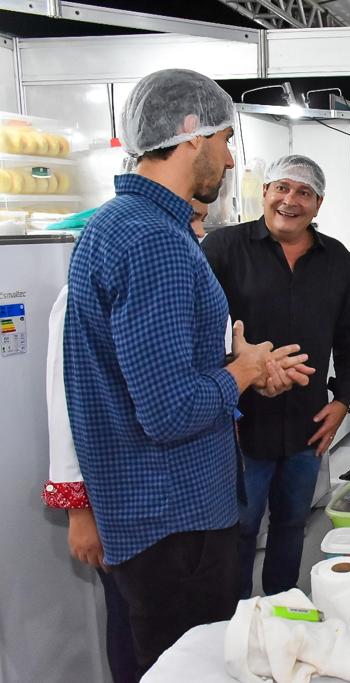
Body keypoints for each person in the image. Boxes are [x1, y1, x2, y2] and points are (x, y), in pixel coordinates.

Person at [62, 69, 312, 672]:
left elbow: (149, 373)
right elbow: (169, 411)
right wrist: (244, 373)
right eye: (226, 140)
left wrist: (241, 365)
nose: (229, 161)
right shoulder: (154, 242)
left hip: (149, 518)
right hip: (177, 524)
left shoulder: (119, 227)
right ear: (192, 132)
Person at [40, 199, 216, 683]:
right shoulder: (83, 291)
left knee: (170, 627)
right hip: (119, 495)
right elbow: (67, 403)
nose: (197, 232)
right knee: (134, 622)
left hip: (166, 490)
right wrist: (79, 508)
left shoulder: (171, 273)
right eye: (193, 220)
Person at [201, 154, 350, 599]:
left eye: (303, 192)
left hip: (307, 426)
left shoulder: (335, 259)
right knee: (238, 529)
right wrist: (235, 375)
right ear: (265, 192)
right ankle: (232, 622)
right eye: (281, 188)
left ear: (318, 204)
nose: (289, 200)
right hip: (240, 424)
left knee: (293, 523)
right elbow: (199, 337)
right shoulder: (223, 249)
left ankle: (281, 607)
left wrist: (341, 402)